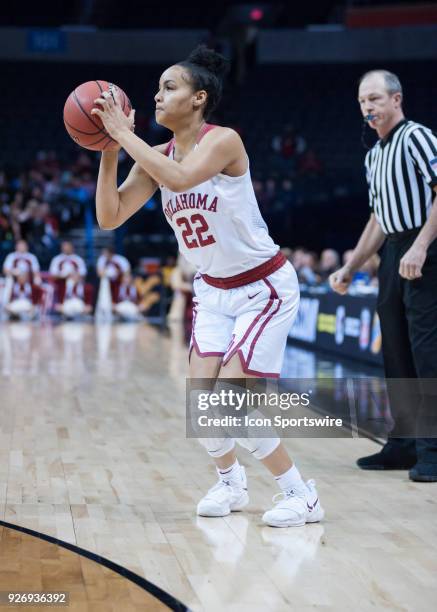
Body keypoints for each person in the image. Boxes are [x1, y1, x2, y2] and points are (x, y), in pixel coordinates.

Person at [92, 45, 324, 527]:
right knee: (201, 406)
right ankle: (230, 482)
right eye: (156, 88)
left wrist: (121, 133)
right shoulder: (154, 155)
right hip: (214, 290)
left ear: (199, 99)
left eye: (169, 87)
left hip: (263, 287)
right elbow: (110, 216)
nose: (157, 96)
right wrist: (109, 152)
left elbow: (179, 177)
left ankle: (301, 494)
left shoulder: (225, 141)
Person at [330, 69, 437, 482]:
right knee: (395, 352)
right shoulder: (373, 155)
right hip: (394, 249)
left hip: (424, 246)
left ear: (397, 99)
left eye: (375, 99)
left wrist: (422, 245)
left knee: (426, 354)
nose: (368, 107)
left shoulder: (417, 137)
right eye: (362, 101)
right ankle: (405, 443)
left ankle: (432, 448)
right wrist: (351, 265)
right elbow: (378, 218)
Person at [49, 241, 87, 306]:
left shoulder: (78, 259)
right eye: (64, 246)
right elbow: (53, 274)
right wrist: (65, 276)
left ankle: (78, 301)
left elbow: (83, 274)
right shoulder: (57, 259)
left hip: (75, 282)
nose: (66, 248)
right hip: (61, 282)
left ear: (72, 247)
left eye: (67, 246)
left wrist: (74, 276)